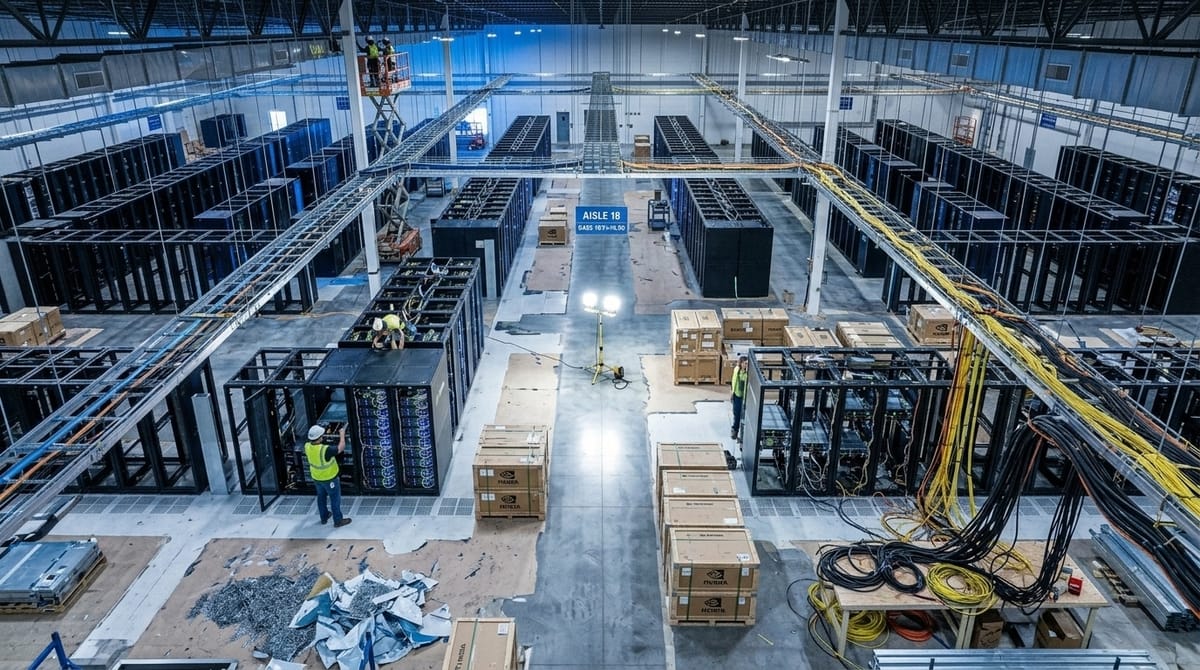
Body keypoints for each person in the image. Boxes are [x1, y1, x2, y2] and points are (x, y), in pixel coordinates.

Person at [305, 424, 351, 527]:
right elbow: (341, 447)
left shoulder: (307, 446)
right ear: (320, 438)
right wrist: (342, 434)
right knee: (335, 499)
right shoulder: (325, 450)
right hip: (329, 479)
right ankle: (338, 520)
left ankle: (324, 517)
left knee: (321, 497)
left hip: (317, 478)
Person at [730, 355, 749, 440]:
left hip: (745, 397)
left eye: (747, 364)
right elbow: (733, 381)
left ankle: (744, 433)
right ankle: (735, 430)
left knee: (744, 415)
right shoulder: (737, 370)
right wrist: (732, 393)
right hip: (737, 395)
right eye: (745, 363)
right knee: (736, 414)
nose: (746, 365)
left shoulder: (748, 373)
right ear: (741, 363)